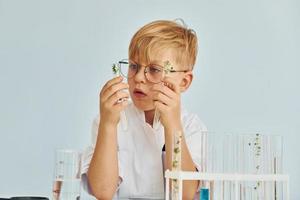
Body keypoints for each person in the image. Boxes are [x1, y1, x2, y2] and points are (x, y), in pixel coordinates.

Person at [81, 19, 207, 199]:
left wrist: (172, 125)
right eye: (134, 66)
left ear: (184, 82)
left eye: (154, 69)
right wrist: (108, 124)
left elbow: (186, 193)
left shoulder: (191, 126)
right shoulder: (111, 119)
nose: (139, 77)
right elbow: (102, 191)